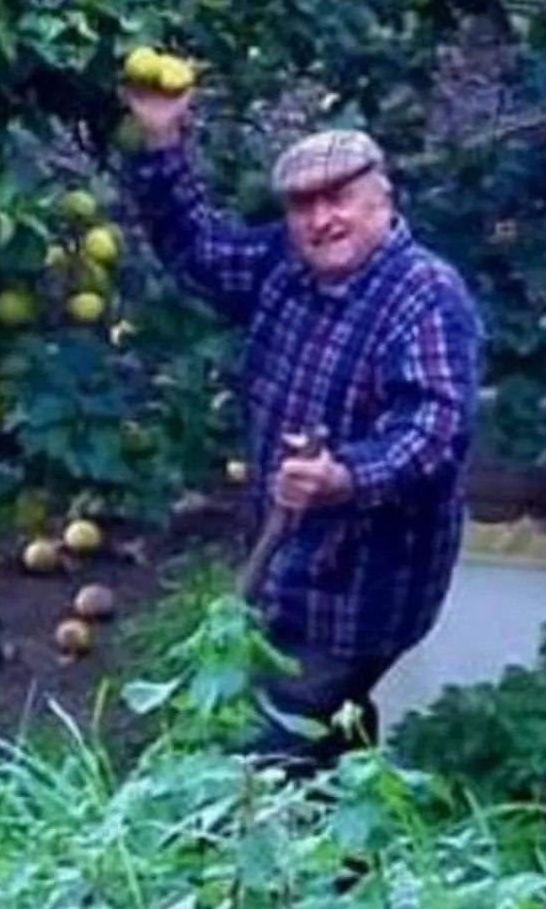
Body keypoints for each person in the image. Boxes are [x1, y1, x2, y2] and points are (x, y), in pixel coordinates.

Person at [119, 79, 481, 764]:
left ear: (382, 198)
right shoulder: (286, 268)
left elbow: (434, 430)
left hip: (363, 586)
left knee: (267, 747)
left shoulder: (425, 295)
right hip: (288, 560)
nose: (322, 220)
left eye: (339, 198)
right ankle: (353, 847)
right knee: (322, 731)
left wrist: (343, 475)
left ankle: (254, 856)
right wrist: (163, 138)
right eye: (303, 206)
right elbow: (200, 252)